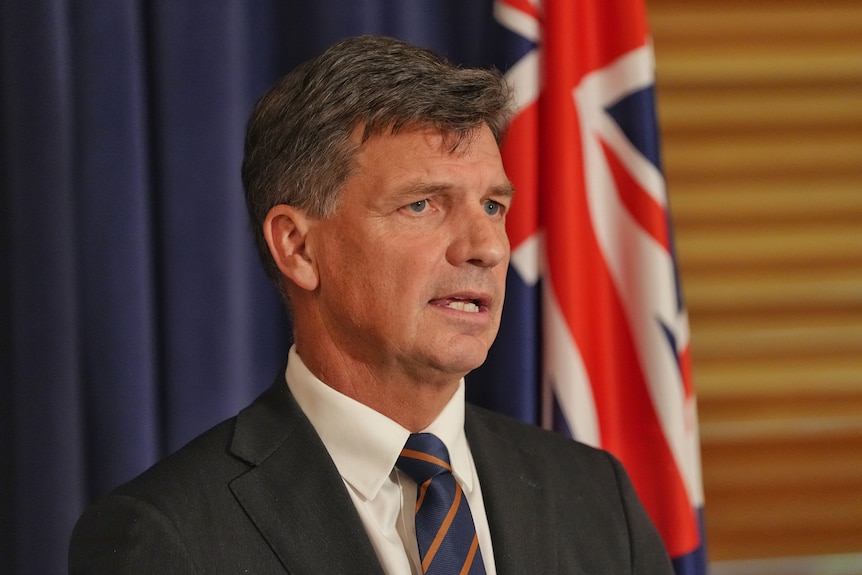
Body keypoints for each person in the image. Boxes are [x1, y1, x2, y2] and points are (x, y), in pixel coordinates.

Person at [69, 35, 674, 574]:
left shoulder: (598, 498)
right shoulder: (164, 539)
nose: (487, 247)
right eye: (423, 205)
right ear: (299, 247)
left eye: (493, 206)